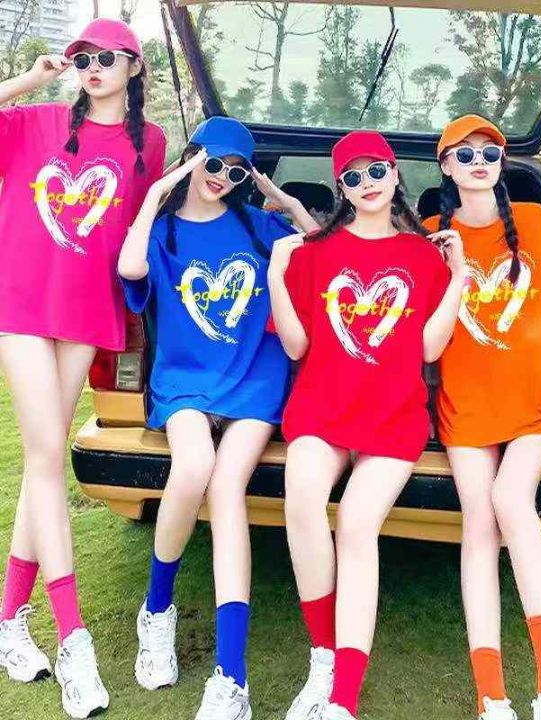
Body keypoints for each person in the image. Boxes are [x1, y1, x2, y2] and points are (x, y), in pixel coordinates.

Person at [118, 116, 318, 720]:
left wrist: (284, 201)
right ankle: (157, 609)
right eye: (213, 164)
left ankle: (232, 675)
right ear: (191, 159)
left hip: (254, 381)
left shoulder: (258, 226)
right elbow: (130, 269)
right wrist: (158, 191)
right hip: (184, 380)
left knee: (228, 487)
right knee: (193, 468)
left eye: (236, 171)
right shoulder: (162, 232)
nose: (222, 178)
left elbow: (323, 249)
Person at [0, 19, 166, 719]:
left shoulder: (149, 141)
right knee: (45, 459)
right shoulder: (35, 120)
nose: (91, 67)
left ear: (134, 65)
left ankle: (9, 621)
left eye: (105, 57)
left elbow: (139, 225)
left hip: (87, 310)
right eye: (81, 58)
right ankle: (74, 640)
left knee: (41, 463)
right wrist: (33, 78)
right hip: (21, 301)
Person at [269, 130, 465, 720]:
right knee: (301, 499)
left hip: (392, 416)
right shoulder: (314, 254)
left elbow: (430, 350)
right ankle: (323, 657)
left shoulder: (423, 255)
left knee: (357, 525)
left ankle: (343, 700)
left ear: (394, 173)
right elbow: (297, 346)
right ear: (343, 190)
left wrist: (457, 277)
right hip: (322, 410)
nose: (367, 183)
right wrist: (278, 276)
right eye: (352, 177)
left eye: (376, 170)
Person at [427, 115, 541, 720]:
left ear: (501, 163)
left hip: (535, 404)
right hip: (465, 407)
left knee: (509, 499)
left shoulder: (536, 223)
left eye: (490, 152)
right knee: (478, 521)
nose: (479, 161)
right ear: (446, 166)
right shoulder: (432, 237)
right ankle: (490, 697)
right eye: (465, 153)